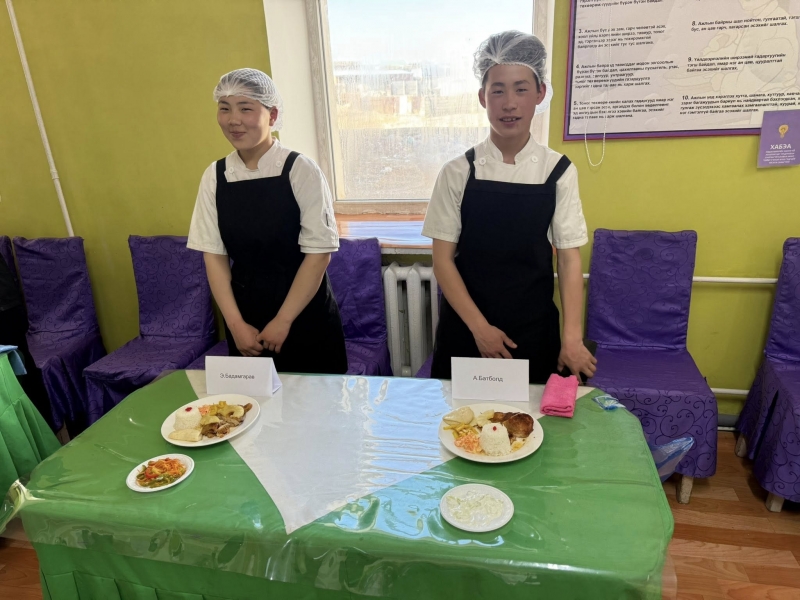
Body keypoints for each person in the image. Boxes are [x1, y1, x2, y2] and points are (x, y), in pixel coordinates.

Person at [423, 31, 597, 384]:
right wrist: (480, 329)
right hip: (467, 329)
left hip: (533, 329)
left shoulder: (558, 171)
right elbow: (442, 261)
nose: (509, 103)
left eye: (521, 89)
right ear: (482, 98)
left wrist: (572, 339)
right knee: (462, 417)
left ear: (540, 93)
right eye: (498, 91)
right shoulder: (457, 171)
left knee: (531, 418)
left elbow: (568, 258)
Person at [188, 68, 348, 374]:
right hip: (245, 318)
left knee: (315, 401)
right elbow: (214, 256)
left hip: (304, 312)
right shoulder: (215, 176)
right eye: (224, 109)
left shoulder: (301, 170)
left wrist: (283, 321)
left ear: (272, 115)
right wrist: (235, 325)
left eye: (245, 108)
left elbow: (319, 254)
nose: (233, 120)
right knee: (252, 402)